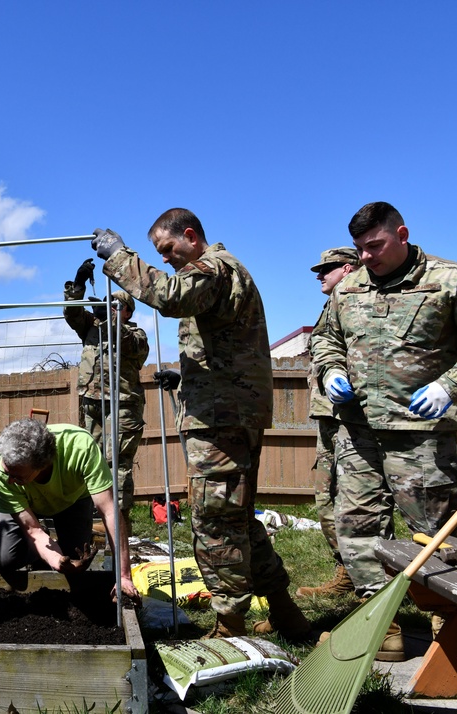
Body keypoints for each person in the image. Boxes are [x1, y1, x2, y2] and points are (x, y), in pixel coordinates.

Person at [90, 208, 312, 641]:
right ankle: (287, 614)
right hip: (227, 411)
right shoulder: (222, 272)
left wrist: (120, 257)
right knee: (239, 518)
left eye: (169, 249)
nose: (167, 258)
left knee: (214, 522)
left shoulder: (214, 267)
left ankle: (230, 626)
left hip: (221, 419)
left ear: (190, 236)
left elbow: (171, 297)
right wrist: (189, 377)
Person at [310, 201, 457, 660]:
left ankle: (456, 630)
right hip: (358, 433)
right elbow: (326, 337)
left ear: (401, 234)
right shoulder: (350, 287)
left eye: (375, 245)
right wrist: (331, 369)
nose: (366, 257)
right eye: (360, 248)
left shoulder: (451, 279)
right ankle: (383, 627)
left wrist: (451, 384)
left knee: (435, 532)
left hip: (419, 435)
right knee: (357, 527)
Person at [0, 418, 140, 603]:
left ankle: (49, 550)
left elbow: (109, 512)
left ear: (41, 464)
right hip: (26, 506)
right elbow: (33, 530)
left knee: (75, 561)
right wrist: (54, 559)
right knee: (5, 560)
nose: (10, 479)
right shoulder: (0, 473)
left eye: (17, 476)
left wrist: (124, 576)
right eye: (8, 472)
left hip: (73, 500)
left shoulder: (80, 446)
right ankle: (40, 550)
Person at [64, 259, 149, 536]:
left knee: (117, 465)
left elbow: (130, 345)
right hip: (92, 405)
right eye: (107, 304)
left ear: (127, 312)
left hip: (122, 407)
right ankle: (98, 521)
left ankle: (120, 525)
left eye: (116, 307)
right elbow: (72, 314)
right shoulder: (91, 328)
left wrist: (110, 319)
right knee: (92, 464)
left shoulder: (135, 334)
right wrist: (77, 285)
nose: (110, 309)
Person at [295, 247, 360, 598]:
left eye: (327, 269)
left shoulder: (360, 305)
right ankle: (348, 571)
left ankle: (371, 576)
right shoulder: (332, 308)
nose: (320, 275)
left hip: (353, 420)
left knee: (357, 504)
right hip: (328, 417)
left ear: (348, 267)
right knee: (326, 499)